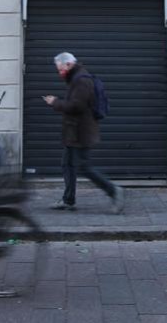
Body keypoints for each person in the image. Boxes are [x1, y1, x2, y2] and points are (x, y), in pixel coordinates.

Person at [43, 52, 124, 214]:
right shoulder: (75, 78)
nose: (60, 73)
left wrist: (55, 102)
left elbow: (76, 106)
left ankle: (114, 191)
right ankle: (68, 200)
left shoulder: (82, 80)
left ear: (68, 64)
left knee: (83, 166)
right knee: (67, 164)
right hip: (73, 132)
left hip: (81, 132)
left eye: (60, 69)